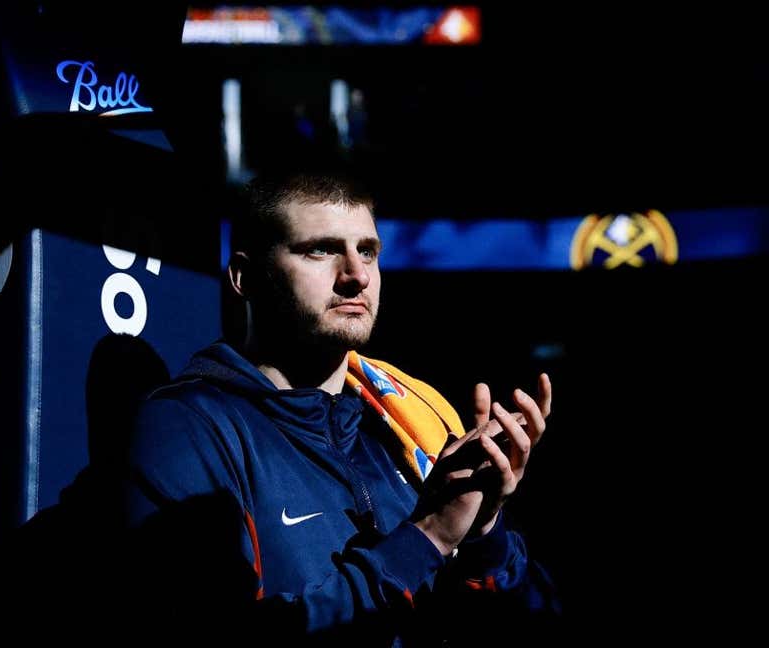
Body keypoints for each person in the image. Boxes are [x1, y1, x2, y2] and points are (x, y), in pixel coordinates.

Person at [123, 171, 559, 645]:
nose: (356, 276)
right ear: (245, 277)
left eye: (367, 251)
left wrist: (482, 531)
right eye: (322, 250)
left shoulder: (409, 418)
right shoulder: (188, 429)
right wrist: (428, 537)